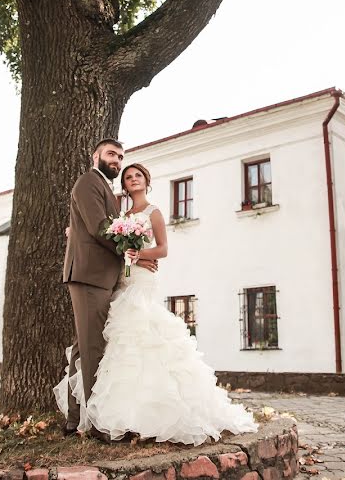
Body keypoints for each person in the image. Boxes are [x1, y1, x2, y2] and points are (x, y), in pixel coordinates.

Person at [83, 162, 258, 445]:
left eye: (137, 175)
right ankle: (127, 413)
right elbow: (116, 250)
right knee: (123, 340)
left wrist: (138, 256)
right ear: (124, 185)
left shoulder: (154, 212)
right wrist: (125, 256)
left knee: (144, 331)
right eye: (128, 177)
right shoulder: (122, 216)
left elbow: (163, 249)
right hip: (123, 278)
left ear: (146, 181)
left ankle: (159, 412)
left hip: (142, 280)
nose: (133, 179)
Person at [56, 139, 159, 438]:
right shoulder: (89, 182)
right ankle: (100, 425)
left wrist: (133, 260)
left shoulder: (106, 190)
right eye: (111, 154)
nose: (116, 160)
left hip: (100, 276)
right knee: (92, 349)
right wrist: (130, 249)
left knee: (82, 349)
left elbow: (91, 227)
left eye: (120, 157)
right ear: (96, 156)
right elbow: (100, 227)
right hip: (90, 276)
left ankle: (75, 419)